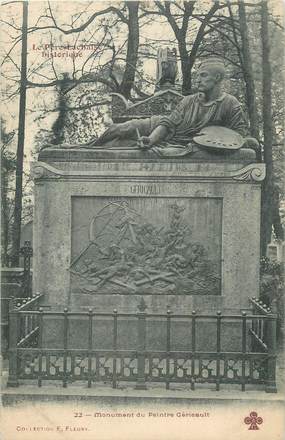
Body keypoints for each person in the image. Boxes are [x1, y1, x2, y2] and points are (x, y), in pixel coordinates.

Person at [88, 58, 258, 156]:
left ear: (218, 78)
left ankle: (88, 151)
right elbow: (167, 124)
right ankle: (86, 147)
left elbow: (238, 137)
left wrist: (247, 142)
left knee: (120, 144)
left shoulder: (230, 103)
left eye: (203, 76)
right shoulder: (189, 101)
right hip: (159, 127)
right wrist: (151, 139)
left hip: (181, 142)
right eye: (197, 76)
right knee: (121, 128)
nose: (198, 80)